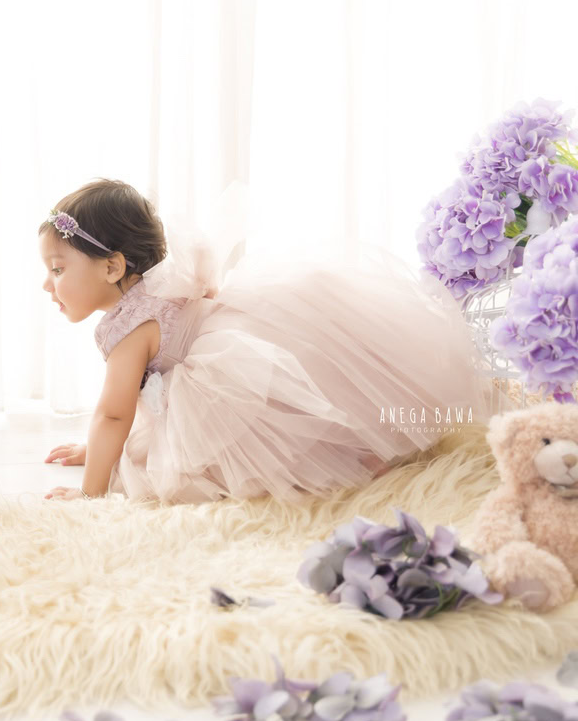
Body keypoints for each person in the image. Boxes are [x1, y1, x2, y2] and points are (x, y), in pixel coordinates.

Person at [40, 178, 499, 504]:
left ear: (113, 267)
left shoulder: (127, 328)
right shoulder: (155, 292)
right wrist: (94, 450)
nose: (47, 284)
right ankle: (361, 448)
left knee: (258, 446)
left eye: (58, 269)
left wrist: (91, 492)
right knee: (310, 400)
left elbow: (115, 413)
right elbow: (125, 413)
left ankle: (351, 459)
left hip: (231, 375)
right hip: (243, 342)